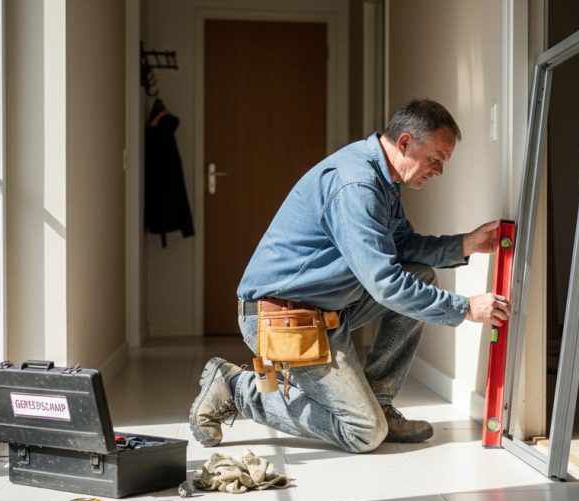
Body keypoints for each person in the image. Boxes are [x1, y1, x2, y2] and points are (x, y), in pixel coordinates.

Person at [189, 98, 509, 454]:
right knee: (364, 432)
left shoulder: (383, 178)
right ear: (405, 142)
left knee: (420, 276)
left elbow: (401, 245)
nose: (439, 171)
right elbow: (385, 284)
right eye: (436, 159)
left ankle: (379, 401)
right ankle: (237, 389)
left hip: (325, 309)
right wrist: (465, 308)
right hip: (282, 318)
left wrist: (464, 244)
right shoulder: (357, 184)